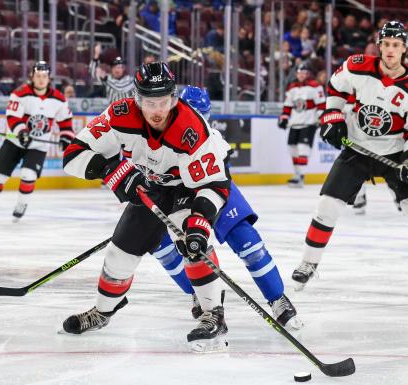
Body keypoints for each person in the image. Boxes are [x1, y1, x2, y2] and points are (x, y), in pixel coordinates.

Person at [61, 62, 231, 352]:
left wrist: (200, 224)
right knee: (118, 255)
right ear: (138, 99)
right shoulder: (120, 114)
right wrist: (111, 171)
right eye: (150, 102)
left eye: (163, 101)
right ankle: (102, 312)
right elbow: (73, 155)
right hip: (148, 187)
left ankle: (213, 313)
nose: (157, 110)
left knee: (192, 246)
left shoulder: (191, 129)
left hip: (187, 188)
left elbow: (215, 186)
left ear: (174, 98)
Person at [291, 21, 408, 297]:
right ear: (380, 46)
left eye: (396, 46)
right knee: (327, 206)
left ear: (405, 50)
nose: (390, 50)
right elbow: (336, 87)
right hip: (357, 148)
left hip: (395, 153)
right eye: (386, 44)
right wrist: (332, 115)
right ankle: (308, 263)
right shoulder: (357, 65)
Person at [151, 85, 302, 329]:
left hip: (215, 191)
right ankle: (200, 294)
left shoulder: (213, 140)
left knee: (249, 244)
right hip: (175, 198)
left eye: (201, 114)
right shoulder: (156, 138)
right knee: (162, 246)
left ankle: (277, 298)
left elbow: (217, 179)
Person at [0, 61, 74, 220]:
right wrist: (22, 132)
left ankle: (22, 204)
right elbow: (12, 117)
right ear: (32, 76)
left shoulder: (59, 99)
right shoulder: (20, 93)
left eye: (44, 76)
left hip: (38, 145)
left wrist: (65, 138)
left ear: (49, 78)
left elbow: (66, 123)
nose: (41, 79)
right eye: (38, 76)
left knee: (28, 174)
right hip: (15, 141)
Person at [277, 62, 325, 187]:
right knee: (292, 149)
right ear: (297, 74)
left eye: (304, 73)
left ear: (308, 74)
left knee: (303, 149)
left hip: (309, 123)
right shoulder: (292, 87)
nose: (301, 75)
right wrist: (284, 118)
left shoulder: (315, 87)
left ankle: (300, 176)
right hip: (295, 123)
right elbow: (288, 105)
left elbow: (321, 105)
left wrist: (321, 119)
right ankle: (297, 174)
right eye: (299, 73)